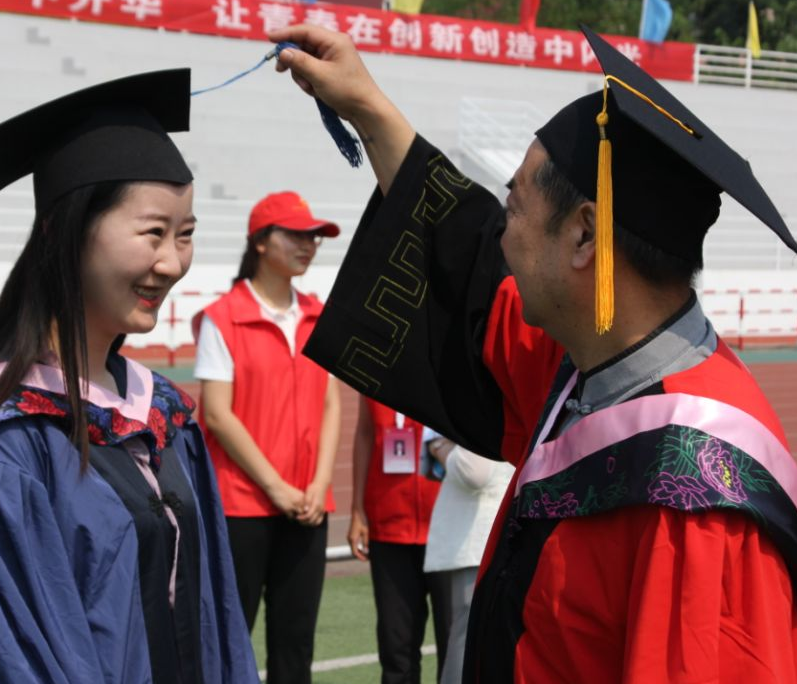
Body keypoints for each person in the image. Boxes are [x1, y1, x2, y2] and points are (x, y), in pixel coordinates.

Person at [269, 23, 797, 683]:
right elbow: (469, 262)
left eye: (514, 207)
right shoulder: (588, 368)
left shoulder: (694, 491)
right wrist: (367, 107)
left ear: (584, 236)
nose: (503, 235)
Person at [0, 70, 258, 684]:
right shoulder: (4, 443)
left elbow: (218, 620)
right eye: (153, 232)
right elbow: (8, 659)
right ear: (64, 230)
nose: (172, 262)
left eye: (185, 236)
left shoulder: (165, 417)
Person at [192, 191, 341, 684]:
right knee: (229, 637)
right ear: (259, 242)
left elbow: (329, 403)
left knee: (295, 644)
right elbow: (217, 414)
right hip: (241, 506)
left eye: (314, 236)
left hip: (308, 505)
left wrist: (319, 485)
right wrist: (276, 487)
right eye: (296, 234)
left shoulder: (321, 315)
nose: (309, 245)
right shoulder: (223, 318)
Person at [347, 398, 447, 684]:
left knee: (455, 646)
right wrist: (357, 509)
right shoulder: (374, 363)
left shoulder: (455, 359)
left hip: (448, 528)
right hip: (390, 527)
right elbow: (365, 432)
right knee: (396, 650)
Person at [420, 428, 512, 684]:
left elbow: (474, 471)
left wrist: (438, 445)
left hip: (480, 538)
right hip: (498, 534)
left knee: (468, 645)